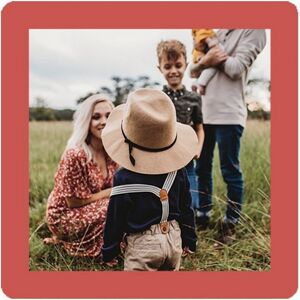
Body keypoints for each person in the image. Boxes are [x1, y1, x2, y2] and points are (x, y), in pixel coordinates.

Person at [101, 88, 198, 271]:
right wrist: (190, 239)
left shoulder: (123, 178)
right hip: (174, 238)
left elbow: (115, 218)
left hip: (143, 246)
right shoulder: (179, 170)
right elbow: (187, 208)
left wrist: (109, 250)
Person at [190, 29, 267, 244]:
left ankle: (230, 222)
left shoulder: (255, 29)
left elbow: (234, 69)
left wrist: (212, 53)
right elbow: (193, 71)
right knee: (202, 168)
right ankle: (202, 215)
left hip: (229, 114)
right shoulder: (218, 29)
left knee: (229, 169)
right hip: (204, 112)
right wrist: (208, 58)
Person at [44, 94, 118, 257]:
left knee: (127, 202)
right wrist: (111, 193)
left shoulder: (112, 150)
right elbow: (73, 202)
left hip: (95, 205)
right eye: (96, 117)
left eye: (109, 116)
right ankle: (71, 241)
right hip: (66, 214)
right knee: (115, 207)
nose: (104, 121)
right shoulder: (76, 154)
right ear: (87, 122)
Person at [156, 39, 204, 213]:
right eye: (168, 66)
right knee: (166, 199)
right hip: (163, 160)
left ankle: (190, 233)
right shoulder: (157, 98)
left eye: (178, 65)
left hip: (187, 160)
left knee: (190, 199)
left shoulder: (194, 98)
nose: (173, 71)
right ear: (160, 69)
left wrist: (198, 148)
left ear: (186, 65)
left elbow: (199, 127)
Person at [191, 28, 224, 96]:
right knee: (212, 68)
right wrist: (209, 41)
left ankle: (197, 82)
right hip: (201, 54)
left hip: (200, 55)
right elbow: (202, 34)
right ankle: (201, 84)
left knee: (208, 69)